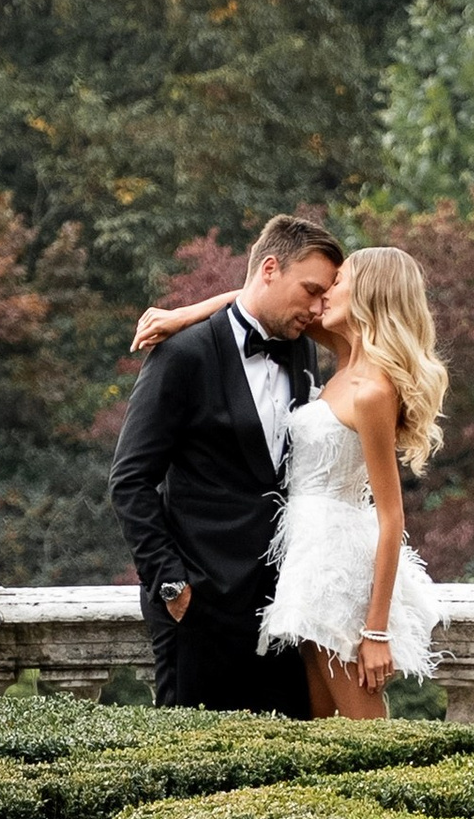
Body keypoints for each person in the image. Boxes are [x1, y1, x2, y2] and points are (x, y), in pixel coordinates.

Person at [126, 241, 446, 721]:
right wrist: (189, 314)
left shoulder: (373, 389)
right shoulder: (334, 350)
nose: (322, 300)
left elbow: (392, 513)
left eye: (336, 285)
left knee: (366, 732)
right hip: (299, 560)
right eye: (320, 287)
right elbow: (260, 306)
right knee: (315, 725)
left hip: (334, 564)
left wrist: (375, 630)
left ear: (369, 297)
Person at [107, 212, 342, 714]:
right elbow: (130, 480)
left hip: (282, 607)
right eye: (311, 291)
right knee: (191, 776)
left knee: (283, 778)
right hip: (199, 610)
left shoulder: (301, 349)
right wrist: (170, 582)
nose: (319, 308)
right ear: (270, 268)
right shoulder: (183, 354)